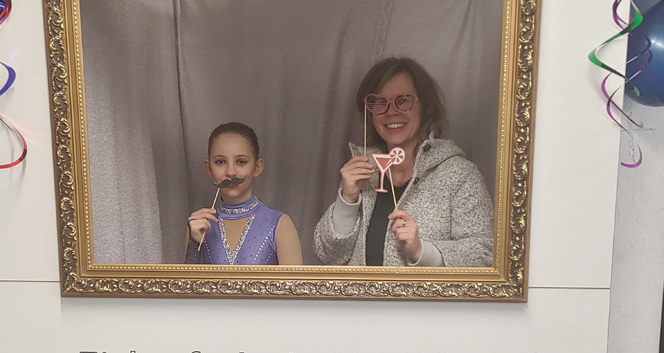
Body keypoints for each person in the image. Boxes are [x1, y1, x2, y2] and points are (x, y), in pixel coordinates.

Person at [313, 58, 493, 268]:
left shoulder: (460, 175)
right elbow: (328, 256)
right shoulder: (362, 172)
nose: (391, 112)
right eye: (380, 103)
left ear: (425, 107)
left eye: (404, 101)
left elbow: (486, 255)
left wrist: (421, 251)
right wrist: (347, 200)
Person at [185, 122, 302, 266]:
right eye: (220, 162)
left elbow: (295, 281)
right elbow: (185, 280)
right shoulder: (199, 225)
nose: (231, 172)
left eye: (241, 162)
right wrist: (194, 245)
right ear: (208, 167)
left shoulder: (279, 224)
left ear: (257, 167)